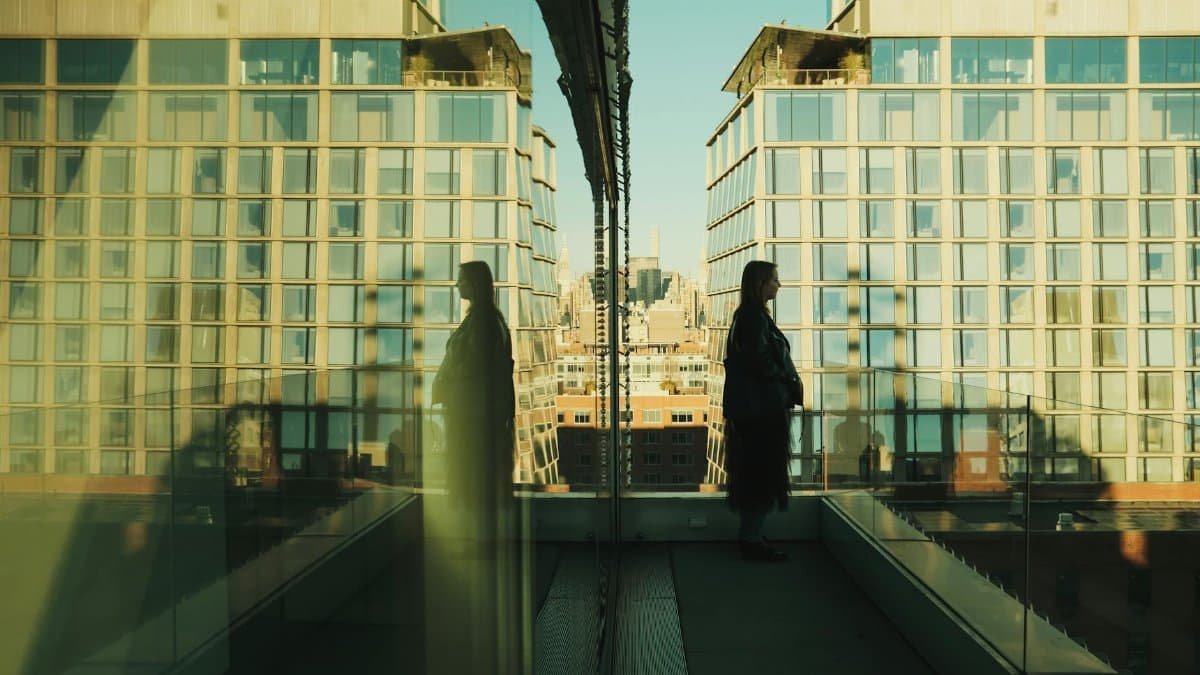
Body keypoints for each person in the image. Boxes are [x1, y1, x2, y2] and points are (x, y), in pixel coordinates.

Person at [429, 261, 522, 673]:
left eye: (462, 278)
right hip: (473, 415)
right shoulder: (484, 321)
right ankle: (479, 540)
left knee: (474, 476)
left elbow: (476, 370)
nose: (456, 283)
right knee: (474, 476)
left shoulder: (484, 325)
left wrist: (451, 386)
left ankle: (480, 543)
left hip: (474, 417)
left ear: (477, 284)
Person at [722, 260, 803, 562]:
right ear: (760, 284)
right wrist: (786, 381)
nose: (778, 285)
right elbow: (761, 362)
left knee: (754, 475)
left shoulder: (748, 317)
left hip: (754, 412)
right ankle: (752, 540)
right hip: (761, 414)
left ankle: (751, 535)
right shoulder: (754, 319)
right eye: (774, 279)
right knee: (761, 475)